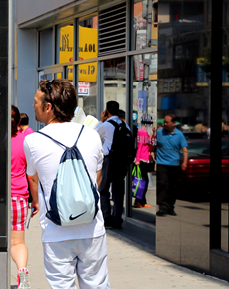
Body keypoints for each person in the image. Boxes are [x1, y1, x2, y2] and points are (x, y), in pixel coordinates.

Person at [24, 79, 110, 289]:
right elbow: (96, 179)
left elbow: (34, 179)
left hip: (56, 231)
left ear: (48, 107)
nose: (33, 105)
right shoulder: (92, 135)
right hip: (92, 229)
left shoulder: (33, 141)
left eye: (36, 102)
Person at [10, 105, 36, 289]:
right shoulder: (26, 140)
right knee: (17, 241)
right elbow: (31, 176)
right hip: (18, 196)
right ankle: (22, 270)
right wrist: (35, 201)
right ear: (19, 121)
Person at [96, 101, 126, 229]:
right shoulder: (125, 126)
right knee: (118, 191)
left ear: (107, 111)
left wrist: (101, 121)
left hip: (109, 160)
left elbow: (94, 135)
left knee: (103, 189)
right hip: (121, 161)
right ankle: (117, 219)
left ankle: (107, 217)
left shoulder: (107, 125)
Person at [155, 114, 188, 216]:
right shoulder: (159, 133)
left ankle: (170, 206)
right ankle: (162, 207)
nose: (165, 124)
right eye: (164, 122)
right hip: (162, 164)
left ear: (173, 123)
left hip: (174, 164)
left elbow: (184, 150)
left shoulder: (179, 135)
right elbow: (151, 143)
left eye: (167, 122)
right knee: (163, 185)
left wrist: (185, 162)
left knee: (173, 187)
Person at [133, 124, 154, 208]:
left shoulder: (146, 132)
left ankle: (142, 201)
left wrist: (153, 133)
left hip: (145, 159)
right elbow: (139, 146)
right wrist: (137, 160)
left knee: (143, 182)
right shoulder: (142, 132)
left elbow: (151, 143)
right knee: (142, 182)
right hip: (141, 159)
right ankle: (139, 202)